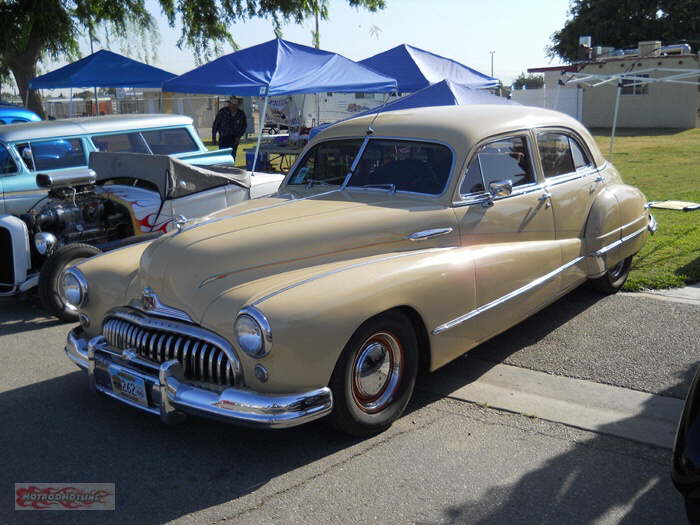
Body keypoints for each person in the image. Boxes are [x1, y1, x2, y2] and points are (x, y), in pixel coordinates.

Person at [212, 97, 247, 162]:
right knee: (223, 154)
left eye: (235, 104)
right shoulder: (222, 112)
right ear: (229, 104)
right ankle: (223, 168)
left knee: (232, 154)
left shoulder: (241, 114)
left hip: (235, 138)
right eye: (231, 104)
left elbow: (244, 126)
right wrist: (214, 137)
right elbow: (216, 124)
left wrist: (239, 136)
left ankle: (231, 168)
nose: (233, 106)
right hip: (223, 137)